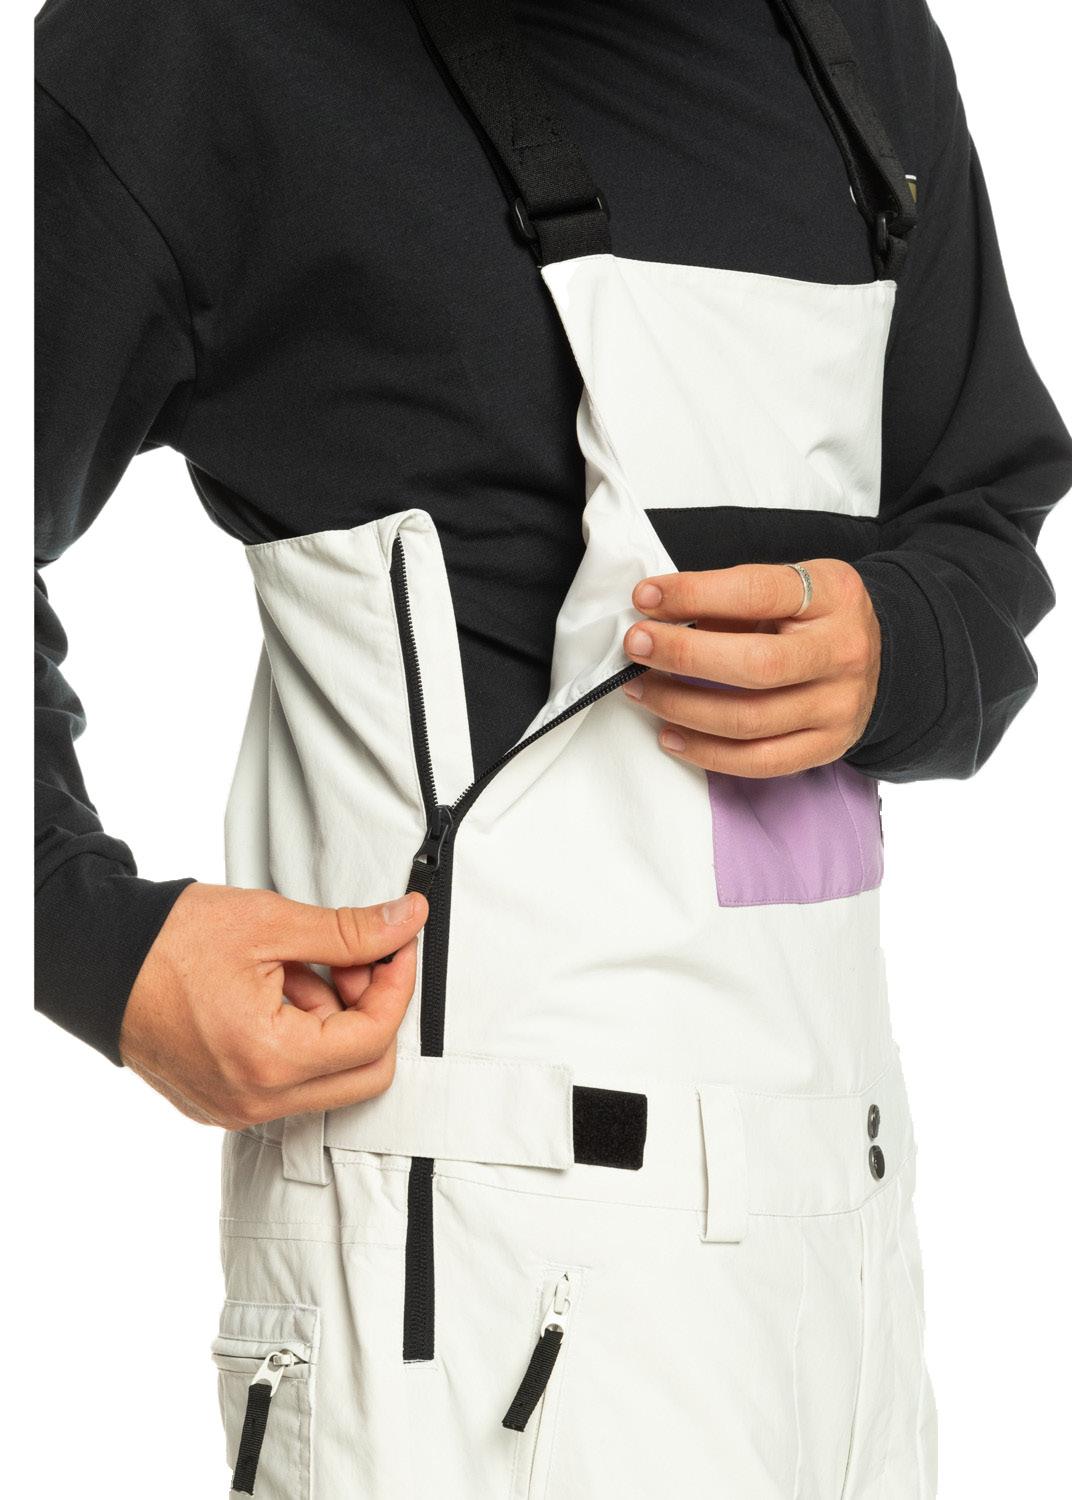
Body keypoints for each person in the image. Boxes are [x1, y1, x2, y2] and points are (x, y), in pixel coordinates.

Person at [35, 0, 1071, 1494]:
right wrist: (84, 936)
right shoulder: (203, 44)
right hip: (461, 1275)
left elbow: (983, 503)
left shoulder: (860, 39)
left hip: (841, 1264)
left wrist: (899, 646)